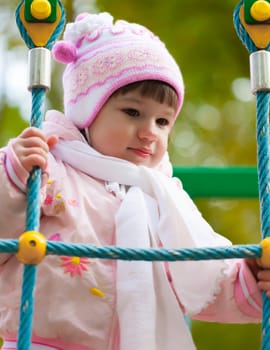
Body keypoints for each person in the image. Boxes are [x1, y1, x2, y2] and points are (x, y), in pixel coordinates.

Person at [0, 11, 269, 350]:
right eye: (132, 112)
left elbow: (205, 277)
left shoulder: (163, 200)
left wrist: (253, 277)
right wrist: (12, 177)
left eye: (162, 121)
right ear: (87, 110)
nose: (148, 133)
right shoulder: (46, 169)